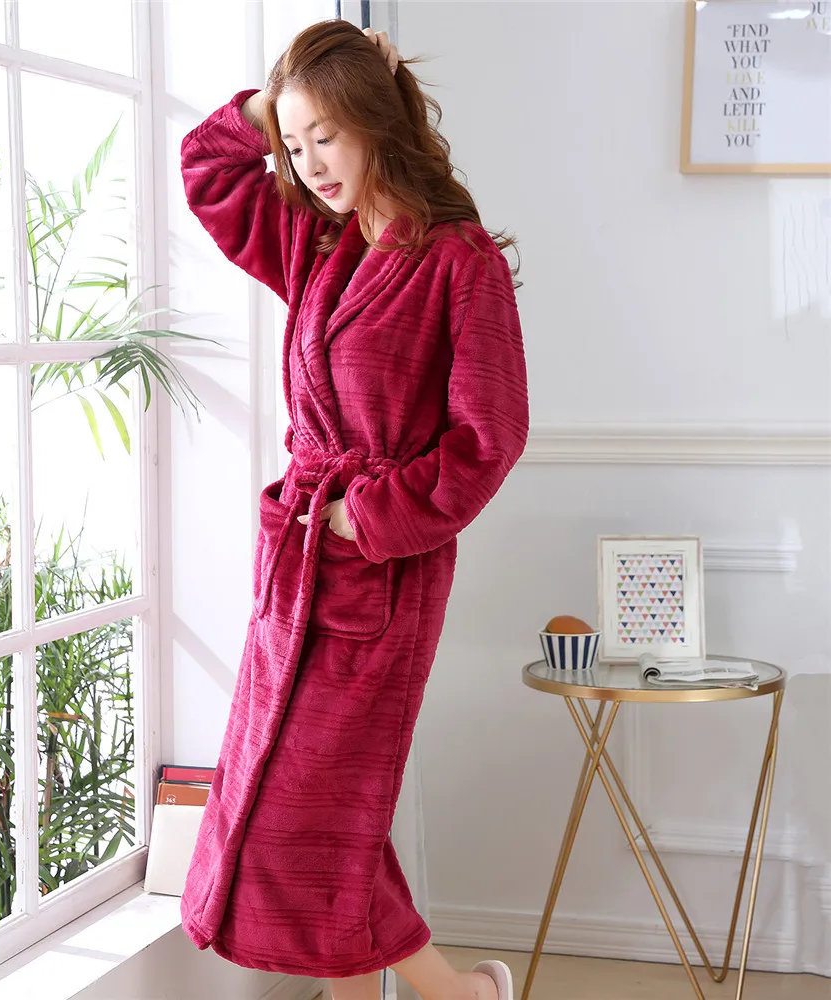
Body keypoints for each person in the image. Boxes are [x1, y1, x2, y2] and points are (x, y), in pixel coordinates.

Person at [178, 19, 528, 1000]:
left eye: (325, 135)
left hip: (379, 569)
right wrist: (277, 101)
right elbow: (207, 168)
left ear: (375, 119)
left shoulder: (459, 261)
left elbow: (488, 437)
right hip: (297, 566)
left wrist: (364, 520)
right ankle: (463, 995)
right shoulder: (314, 243)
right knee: (310, 816)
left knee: (318, 814)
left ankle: (456, 994)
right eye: (292, 146)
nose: (308, 164)